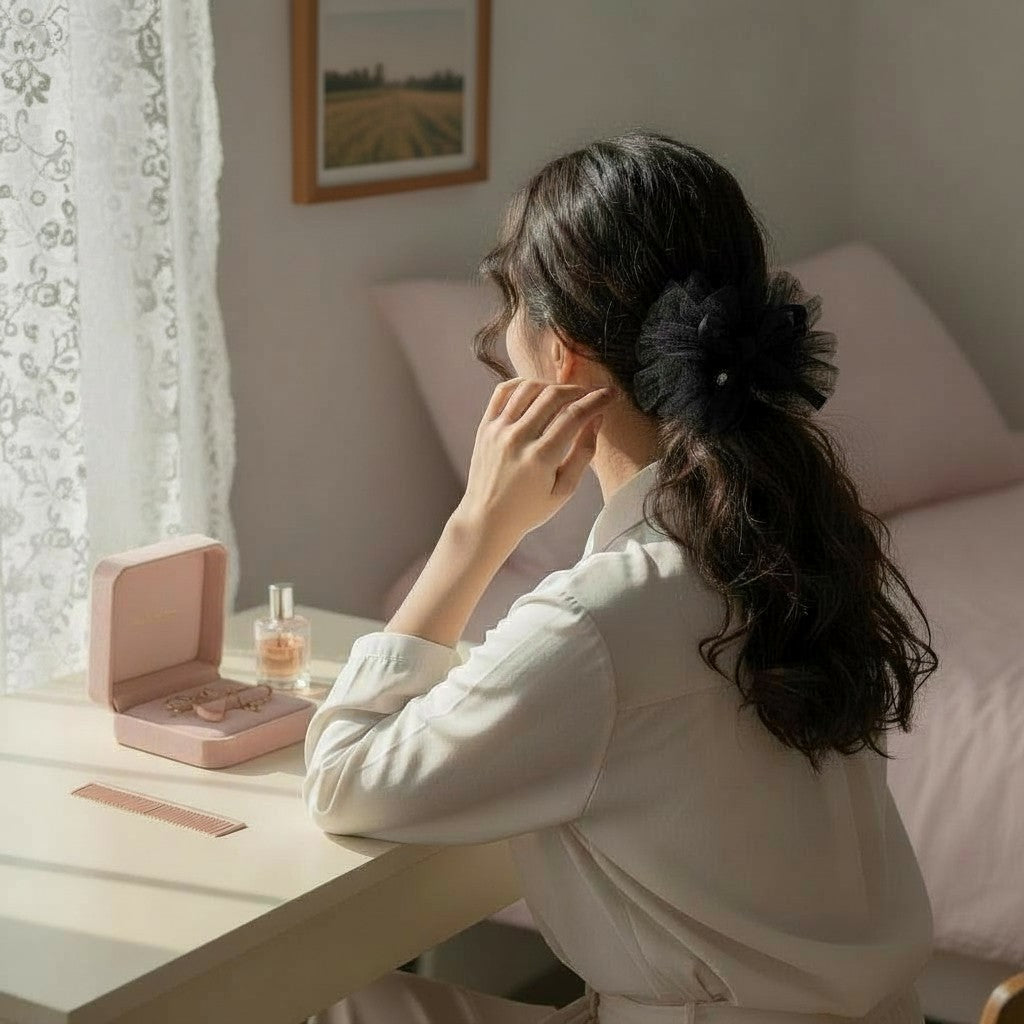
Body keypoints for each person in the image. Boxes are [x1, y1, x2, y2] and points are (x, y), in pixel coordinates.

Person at [302, 129, 938, 1024]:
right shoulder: (802, 535)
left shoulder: (601, 618)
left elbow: (343, 781)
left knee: (314, 1000)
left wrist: (475, 530)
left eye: (512, 310)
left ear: (561, 352)